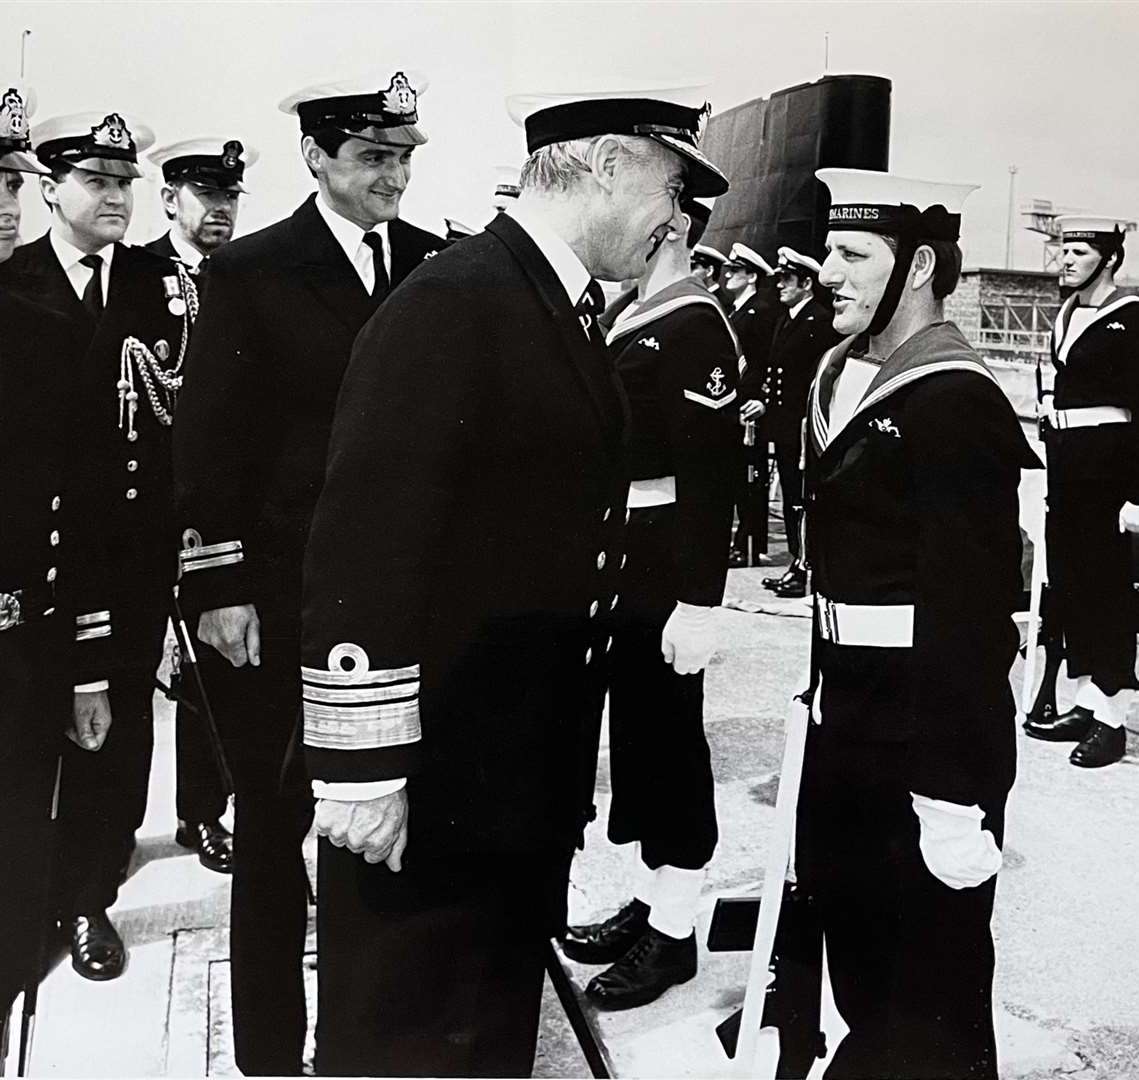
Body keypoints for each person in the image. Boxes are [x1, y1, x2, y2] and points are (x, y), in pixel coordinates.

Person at [298, 85, 728, 1076]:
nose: (676, 218)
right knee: (406, 1046)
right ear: (609, 165)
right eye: (670, 184)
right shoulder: (459, 303)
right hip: (435, 789)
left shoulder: (540, 301)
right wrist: (362, 774)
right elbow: (365, 538)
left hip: (503, 787)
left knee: (480, 1041)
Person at [171, 71, 445, 1076]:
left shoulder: (433, 265)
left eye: (404, 156)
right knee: (276, 825)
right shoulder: (252, 272)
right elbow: (207, 446)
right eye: (374, 157)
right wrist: (219, 586)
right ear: (317, 157)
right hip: (278, 601)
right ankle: (269, 1054)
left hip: (396, 608)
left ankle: (365, 1043)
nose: (394, 177)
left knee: (377, 827)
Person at [788, 168, 1040, 1079]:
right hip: (843, 711)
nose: (828, 270)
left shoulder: (955, 400)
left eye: (854, 254)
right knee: (858, 952)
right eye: (829, 250)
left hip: (921, 724)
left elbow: (972, 619)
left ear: (920, 265)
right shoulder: (840, 373)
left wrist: (952, 789)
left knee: (932, 977)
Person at [0, 108, 195, 984]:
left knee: (116, 729)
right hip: (32, 550)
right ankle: (25, 892)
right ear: (50, 188)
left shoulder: (164, 282)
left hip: (128, 547)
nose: (117, 197)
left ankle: (88, 895)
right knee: (30, 724)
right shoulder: (8, 277)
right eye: (96, 182)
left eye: (125, 183)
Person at [0, 83, 105, 1074]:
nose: (8, 202)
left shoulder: (46, 334)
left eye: (14, 183)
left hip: (16, 672)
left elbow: (83, 517)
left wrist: (86, 670)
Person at [560, 195, 741, 1009]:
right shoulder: (639, 313)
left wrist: (702, 600)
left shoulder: (697, 324)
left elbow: (712, 479)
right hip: (621, 558)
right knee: (637, 744)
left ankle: (676, 934)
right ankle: (652, 899)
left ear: (670, 230)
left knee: (669, 745)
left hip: (663, 566)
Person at [140, 136, 259, 874]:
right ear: (171, 200)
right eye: (204, 195)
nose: (219, 210)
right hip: (143, 504)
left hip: (214, 510)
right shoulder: (139, 274)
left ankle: (202, 812)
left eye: (229, 196)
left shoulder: (247, 278)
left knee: (213, 671)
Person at [1021, 215, 1139, 767]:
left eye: (1079, 250)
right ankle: (1090, 699)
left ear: (1108, 259)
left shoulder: (1136, 322)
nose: (1064, 258)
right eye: (1064, 249)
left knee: (1106, 592)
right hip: (1068, 473)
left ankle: (1115, 720)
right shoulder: (1069, 312)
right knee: (1073, 588)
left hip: (1107, 478)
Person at [761, 246, 838, 598]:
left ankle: (803, 566)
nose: (780, 285)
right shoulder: (786, 319)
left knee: (804, 496)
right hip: (785, 424)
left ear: (806, 283)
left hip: (805, 426)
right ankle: (797, 560)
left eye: (786, 279)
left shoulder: (819, 321)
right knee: (792, 493)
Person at [724, 241, 778, 567]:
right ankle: (742, 539)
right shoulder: (740, 311)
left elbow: (769, 360)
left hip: (751, 408)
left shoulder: (761, 311)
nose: (728, 275)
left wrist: (762, 399)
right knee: (740, 476)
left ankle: (748, 544)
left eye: (736, 271)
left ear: (751, 276)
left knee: (751, 477)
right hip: (739, 403)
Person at [144, 137, 257, 278]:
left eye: (231, 196)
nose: (224, 207)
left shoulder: (247, 275)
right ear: (170, 199)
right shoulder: (138, 269)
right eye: (208, 193)